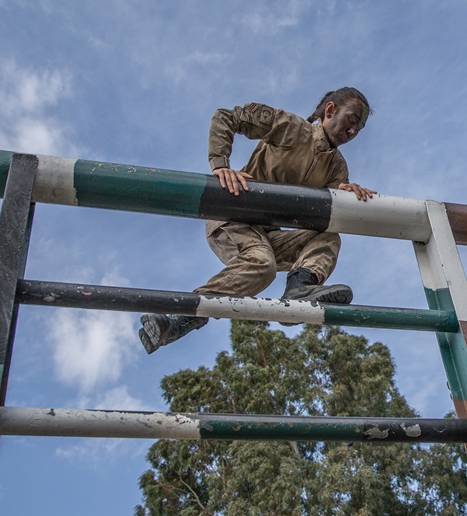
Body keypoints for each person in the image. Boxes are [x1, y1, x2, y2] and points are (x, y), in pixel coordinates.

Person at [139, 88, 376, 354]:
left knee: (327, 237)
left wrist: (343, 196)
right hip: (233, 220)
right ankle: (177, 320)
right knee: (263, 264)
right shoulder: (289, 127)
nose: (353, 132)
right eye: (351, 121)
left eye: (359, 129)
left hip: (269, 234)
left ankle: (300, 289)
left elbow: (324, 218)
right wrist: (220, 164)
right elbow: (227, 117)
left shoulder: (337, 168)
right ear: (330, 110)